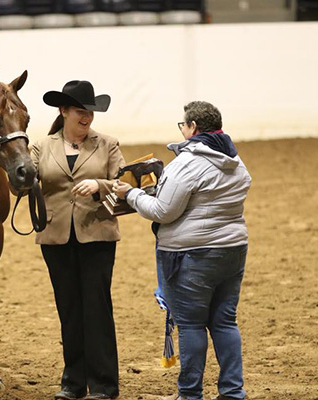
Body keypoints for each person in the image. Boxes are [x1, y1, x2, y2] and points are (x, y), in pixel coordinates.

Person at [113, 101, 251, 400]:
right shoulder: (236, 161)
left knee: (191, 325)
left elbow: (163, 211)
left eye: (183, 126)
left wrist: (132, 194)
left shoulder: (187, 163)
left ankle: (190, 394)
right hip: (233, 250)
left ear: (192, 129)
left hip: (191, 256)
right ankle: (232, 392)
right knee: (225, 321)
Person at [31, 80, 125, 400]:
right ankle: (73, 382)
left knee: (97, 308)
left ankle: (103, 385)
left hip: (97, 235)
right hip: (55, 236)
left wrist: (99, 184)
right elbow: (22, 184)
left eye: (89, 113)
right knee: (69, 309)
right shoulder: (41, 147)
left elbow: (123, 184)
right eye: (79, 112)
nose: (86, 118)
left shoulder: (107, 144)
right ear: (64, 111)